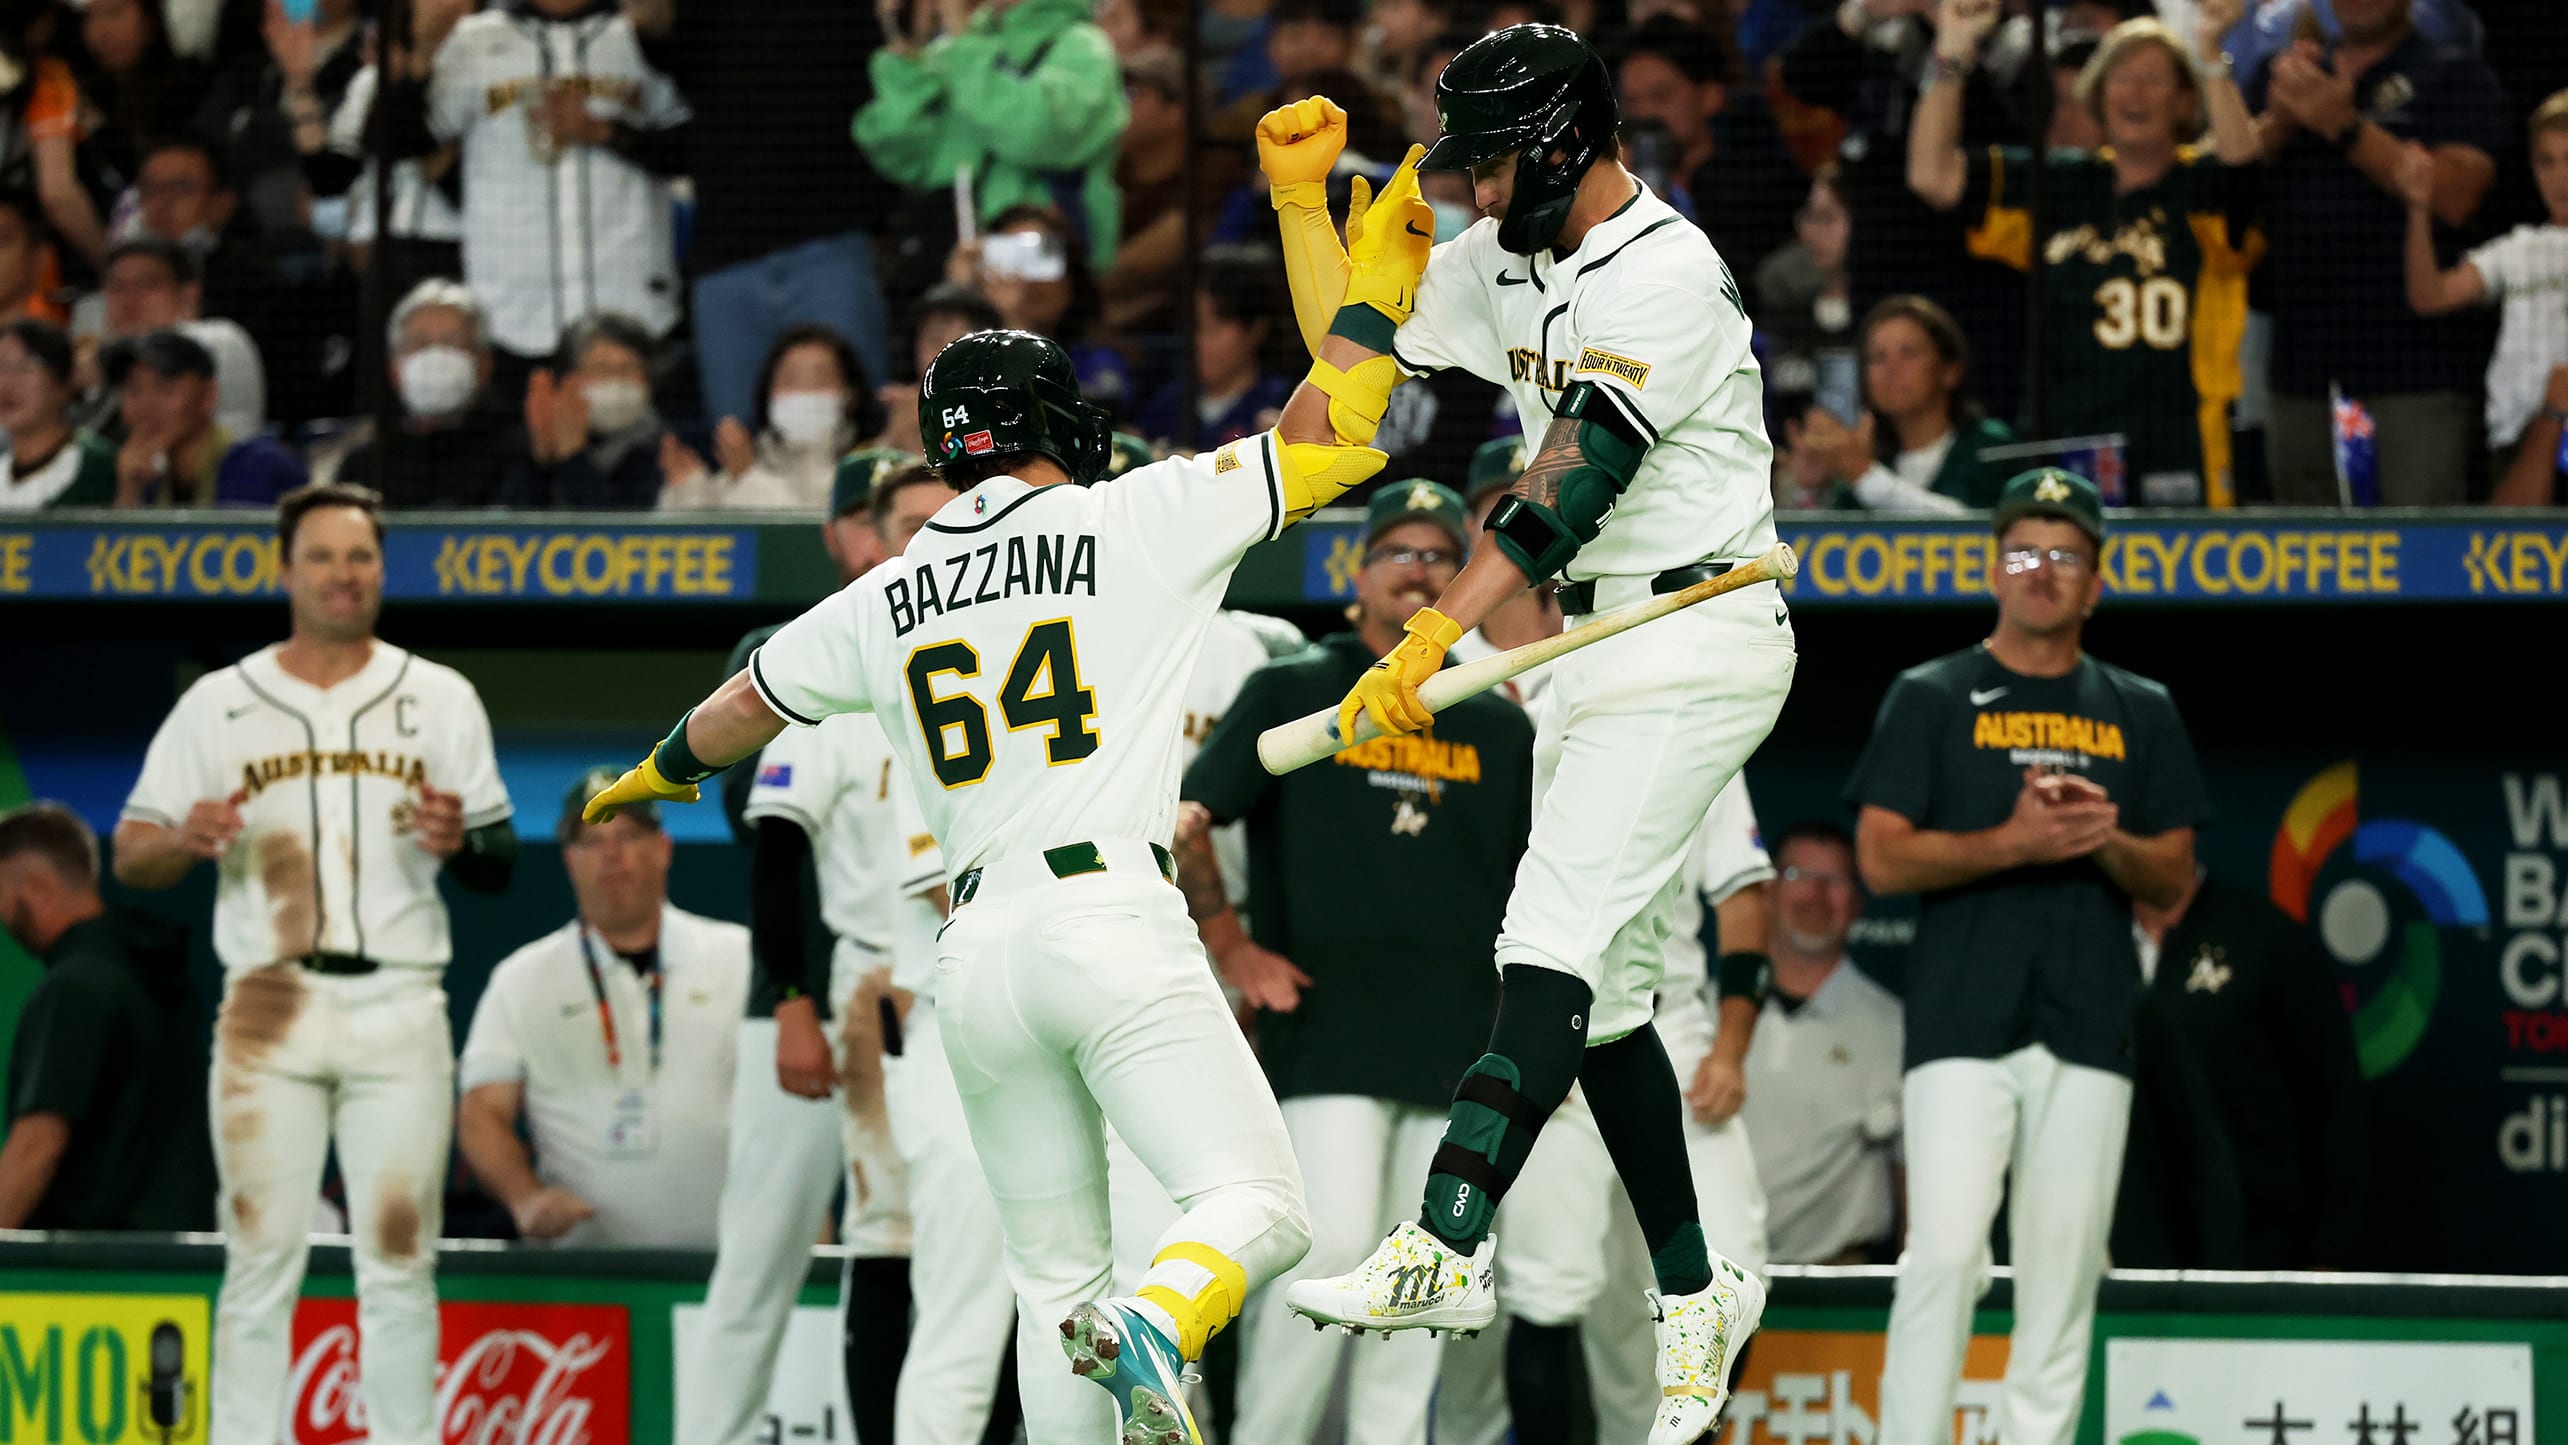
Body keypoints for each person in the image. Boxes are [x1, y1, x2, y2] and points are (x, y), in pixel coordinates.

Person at [579, 292, 1426, 1434]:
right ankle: (1162, 1318)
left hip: (972, 955)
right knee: (1260, 1203)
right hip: (1108, 913)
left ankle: (1125, 1330)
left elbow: (740, 705)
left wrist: (658, 771)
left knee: (1051, 1288)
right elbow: (1327, 443)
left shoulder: (879, 591)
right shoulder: (1131, 516)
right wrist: (1366, 313)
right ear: (1059, 420)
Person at [1260, 30, 1789, 1439]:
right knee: (1605, 995)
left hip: (1699, 622)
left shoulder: (1669, 270)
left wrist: (1439, 635)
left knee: (1542, 944)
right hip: (1595, 638)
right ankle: (1697, 1289)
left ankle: (1444, 1235)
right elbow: (1347, 385)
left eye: (1492, 163)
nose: (1477, 196)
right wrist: (1313, 220)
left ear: (1560, 143)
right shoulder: (1507, 254)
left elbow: (1566, 486)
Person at [112, 482, 516, 1445]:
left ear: (382, 569)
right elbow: (131, 852)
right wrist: (186, 836)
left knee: (399, 1260)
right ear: (285, 570)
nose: (345, 574)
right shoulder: (222, 702)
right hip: (267, 1005)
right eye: (325, 556)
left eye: (361, 556)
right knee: (258, 1257)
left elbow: (501, 862)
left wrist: (462, 839)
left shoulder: (439, 694)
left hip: (399, 1002)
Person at [1848, 468, 2205, 1445]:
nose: (2041, 570)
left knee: (2063, 1273)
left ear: (2096, 580)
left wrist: (2100, 837)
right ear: (1992, 569)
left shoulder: (2142, 705)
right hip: (1961, 1019)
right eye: (2022, 552)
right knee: (1945, 1255)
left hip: (2090, 1022)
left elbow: (2171, 875)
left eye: (2064, 554)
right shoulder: (1931, 693)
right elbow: (1879, 857)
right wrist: (2013, 840)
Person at [1177, 480, 1530, 1445]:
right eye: (1395, 553)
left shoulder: (1498, 721)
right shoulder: (1301, 684)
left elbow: (1530, 888)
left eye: (1436, 555)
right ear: (1357, 574)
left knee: (1422, 1279)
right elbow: (1185, 820)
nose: (1416, 570)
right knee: (1324, 1247)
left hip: (1457, 1045)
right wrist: (1232, 947)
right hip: (1326, 1035)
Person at [1912, 3, 2262, 507]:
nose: (2134, 93)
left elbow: (2244, 171)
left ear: (2186, 101)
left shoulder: (2201, 185)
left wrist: (2207, 54)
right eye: (2120, 77)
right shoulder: (2059, 181)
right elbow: (1933, 175)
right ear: (2096, 93)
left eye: (2154, 80)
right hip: (2063, 446)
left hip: (2179, 446)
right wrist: (1951, 51)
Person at [456, 774, 751, 1249]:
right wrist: (526, 1198)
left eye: (628, 836)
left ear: (664, 847)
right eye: (592, 840)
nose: (611, 855)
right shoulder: (522, 978)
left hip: (730, 1264)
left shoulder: (739, 958)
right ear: (570, 861)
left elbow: (791, 1106)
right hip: (582, 1280)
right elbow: (481, 1112)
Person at [2245, 0, 2504, 504]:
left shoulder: (2453, 74)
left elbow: (2457, 197)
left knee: (2418, 554)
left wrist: (2346, 127)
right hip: (2299, 367)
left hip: (2413, 369)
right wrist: (2280, 122)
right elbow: (2222, 186)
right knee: (2303, 558)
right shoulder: (2286, 74)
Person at [372, 0, 692, 395]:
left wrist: (603, 131)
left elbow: (693, 150)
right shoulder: (475, 39)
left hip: (631, 307)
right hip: (510, 315)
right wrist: (420, 60)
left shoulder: (639, 35)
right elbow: (396, 146)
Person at [627, 0, 898, 418]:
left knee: (859, 426)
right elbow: (665, 49)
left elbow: (893, 81)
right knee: (736, 440)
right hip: (728, 247)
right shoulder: (699, 19)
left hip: (833, 235)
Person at [2124, 866, 2366, 1267]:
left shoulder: (2264, 936)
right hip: (2133, 1244)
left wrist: (2330, 1255)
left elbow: (2337, 1100)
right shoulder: (2083, 942)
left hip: (2260, 1245)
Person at [0, 802, 216, 1231]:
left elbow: (36, 1149)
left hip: (89, 1279)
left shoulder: (76, 986)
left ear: (38, 889)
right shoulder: (159, 978)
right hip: (177, 1280)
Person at [854, 0, 1131, 267]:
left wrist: (962, 39)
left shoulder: (1083, 44)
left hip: (1052, 252)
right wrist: (910, 49)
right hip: (967, 249)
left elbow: (1034, 135)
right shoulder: (966, 47)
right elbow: (906, 155)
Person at [1739, 820, 1904, 1266]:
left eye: (1834, 881)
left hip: (1838, 1291)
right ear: (1767, 892)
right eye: (1797, 876)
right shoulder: (1710, 1014)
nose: (1814, 895)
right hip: (1710, 1286)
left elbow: (1916, 1179)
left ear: (1857, 902)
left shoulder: (1895, 1027)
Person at [2398, 90, 2568, 483]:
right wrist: (2419, 208)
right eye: (2547, 162)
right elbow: (2430, 297)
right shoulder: (2518, 250)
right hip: (2515, 443)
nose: (2560, 178)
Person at [1784, 294, 2017, 513]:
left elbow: (1975, 529)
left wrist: (1865, 475)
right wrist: (1812, 489)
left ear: (1950, 370)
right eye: (1877, 357)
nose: (1891, 369)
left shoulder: (1990, 447)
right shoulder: (1873, 460)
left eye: (1908, 353)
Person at [1614, 16, 1804, 273]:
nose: (1644, 114)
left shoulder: (1761, 184)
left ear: (1710, 97)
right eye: (1631, 102)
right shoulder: (1613, 187)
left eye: (1661, 96)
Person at [326, 280, 520, 508]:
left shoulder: (517, 454)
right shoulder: (367, 463)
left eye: (452, 343)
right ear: (394, 370)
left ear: (485, 364)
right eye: (419, 343)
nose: (436, 358)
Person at [662, 324, 887, 511]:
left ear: (851, 396)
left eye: (820, 379)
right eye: (790, 379)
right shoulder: (745, 463)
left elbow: (817, 544)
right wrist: (690, 490)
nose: (803, 391)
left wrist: (750, 479)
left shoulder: (872, 467)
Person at [85, 237, 267, 441]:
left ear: (190, 296)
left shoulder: (220, 337)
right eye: (117, 288)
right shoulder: (116, 361)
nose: (129, 299)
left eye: (146, 285)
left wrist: (95, 362)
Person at [106, 328, 307, 507]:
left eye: (164, 388)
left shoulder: (262, 467)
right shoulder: (149, 485)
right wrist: (129, 493)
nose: (146, 405)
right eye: (133, 390)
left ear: (209, 394)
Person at [502, 312, 671, 509]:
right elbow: (502, 530)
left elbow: (619, 533)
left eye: (628, 368)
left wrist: (573, 457)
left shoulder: (667, 448)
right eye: (600, 369)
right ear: (570, 379)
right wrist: (539, 461)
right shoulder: (524, 440)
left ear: (649, 380)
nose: (615, 380)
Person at [1136, 246, 1294, 449]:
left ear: (1256, 329)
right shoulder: (1169, 405)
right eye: (1195, 328)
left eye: (1213, 330)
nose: (1199, 342)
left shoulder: (1281, 406)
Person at [0, 319, 119, 510]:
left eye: (25, 366)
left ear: (65, 380)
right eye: (1, 366)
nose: (8, 383)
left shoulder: (100, 466)